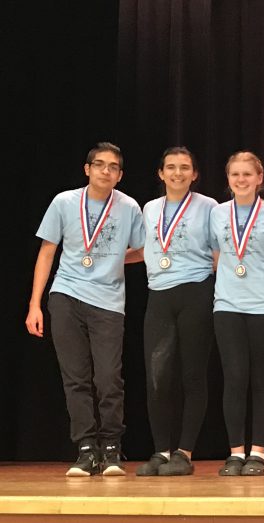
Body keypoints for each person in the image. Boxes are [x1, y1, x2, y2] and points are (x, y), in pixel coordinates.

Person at [26, 142, 145, 476]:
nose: (105, 171)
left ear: (119, 175)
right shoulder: (64, 202)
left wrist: (116, 260)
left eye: (113, 167)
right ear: (87, 168)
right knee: (75, 379)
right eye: (99, 164)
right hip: (66, 295)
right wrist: (35, 304)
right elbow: (48, 251)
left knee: (108, 378)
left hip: (108, 301)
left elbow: (145, 249)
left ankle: (111, 447)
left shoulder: (129, 207)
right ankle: (86, 448)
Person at [135, 147, 218, 476]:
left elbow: (220, 250)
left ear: (194, 174)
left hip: (196, 291)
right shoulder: (150, 208)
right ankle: (161, 451)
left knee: (193, 375)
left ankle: (184, 452)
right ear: (161, 173)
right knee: (158, 378)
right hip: (159, 295)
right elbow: (147, 250)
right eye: (171, 167)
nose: (178, 173)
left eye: (185, 168)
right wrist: (106, 259)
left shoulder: (209, 207)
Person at [209, 151, 264, 476]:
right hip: (227, 306)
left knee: (261, 379)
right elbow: (216, 257)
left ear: (260, 178)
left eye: (248, 174)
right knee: (234, 378)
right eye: (235, 175)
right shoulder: (217, 214)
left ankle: (257, 452)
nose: (241, 180)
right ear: (228, 179)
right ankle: (234, 453)